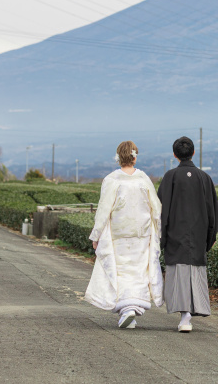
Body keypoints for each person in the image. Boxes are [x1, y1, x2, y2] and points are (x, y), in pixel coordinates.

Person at [84, 141, 163, 329]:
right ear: (135, 157)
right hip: (141, 234)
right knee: (138, 271)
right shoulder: (144, 179)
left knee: (120, 271)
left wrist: (96, 235)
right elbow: (156, 208)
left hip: (119, 234)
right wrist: (159, 232)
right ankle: (133, 308)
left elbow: (103, 211)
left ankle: (126, 310)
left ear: (118, 157)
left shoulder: (112, 180)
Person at [157, 136, 218, 332]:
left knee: (178, 272)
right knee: (194, 271)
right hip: (197, 235)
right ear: (193, 153)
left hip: (175, 234)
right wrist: (210, 237)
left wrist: (161, 237)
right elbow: (213, 212)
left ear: (174, 155)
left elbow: (161, 209)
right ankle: (189, 315)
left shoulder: (170, 177)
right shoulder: (205, 178)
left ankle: (184, 316)